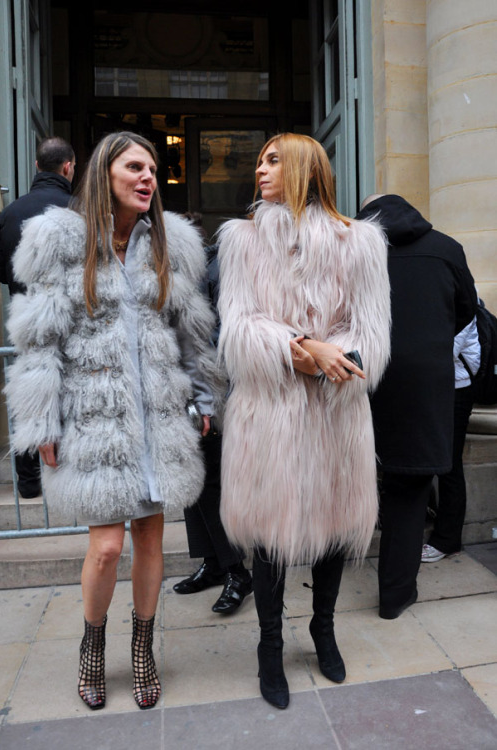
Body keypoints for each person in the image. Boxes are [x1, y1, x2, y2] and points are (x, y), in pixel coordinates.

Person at [4, 131, 221, 711]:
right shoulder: (62, 242)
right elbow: (38, 340)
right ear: (106, 173)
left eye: (153, 168)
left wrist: (203, 399)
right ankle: (93, 645)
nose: (149, 177)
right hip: (96, 422)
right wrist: (40, 421)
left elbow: (192, 335)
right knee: (104, 547)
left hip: (157, 419)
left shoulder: (170, 245)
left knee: (152, 537)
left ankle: (144, 646)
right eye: (135, 167)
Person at [216, 133, 391, 709]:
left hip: (337, 411)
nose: (259, 170)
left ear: (303, 169)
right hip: (268, 411)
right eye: (260, 161)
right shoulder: (242, 240)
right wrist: (298, 346)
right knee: (270, 532)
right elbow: (238, 328)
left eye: (272, 160)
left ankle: (323, 628)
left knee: (334, 524)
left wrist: (329, 356)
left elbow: (373, 334)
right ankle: (270, 645)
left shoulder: (359, 241)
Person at [355, 194, 477, 619]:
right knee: (408, 487)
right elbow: (467, 313)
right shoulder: (446, 248)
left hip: (359, 378)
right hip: (424, 383)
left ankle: (328, 596)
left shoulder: (354, 246)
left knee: (350, 480)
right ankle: (395, 593)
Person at [173, 242, 253, 614]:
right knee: (197, 479)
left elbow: (221, 333)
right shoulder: (190, 265)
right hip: (190, 389)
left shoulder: (225, 265)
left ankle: (235, 570)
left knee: (210, 481)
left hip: (217, 390)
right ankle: (214, 563)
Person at [0, 136, 76, 499]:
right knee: (71, 392)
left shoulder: (12, 212)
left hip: (25, 318)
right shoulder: (76, 208)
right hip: (71, 319)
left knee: (28, 394)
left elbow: (2, 268)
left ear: (36, 167)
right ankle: (71, 472)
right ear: (69, 166)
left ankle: (29, 484)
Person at [422, 316, 480, 562]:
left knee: (450, 465)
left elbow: (445, 350)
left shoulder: (460, 290)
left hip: (456, 388)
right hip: (438, 386)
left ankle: (448, 540)